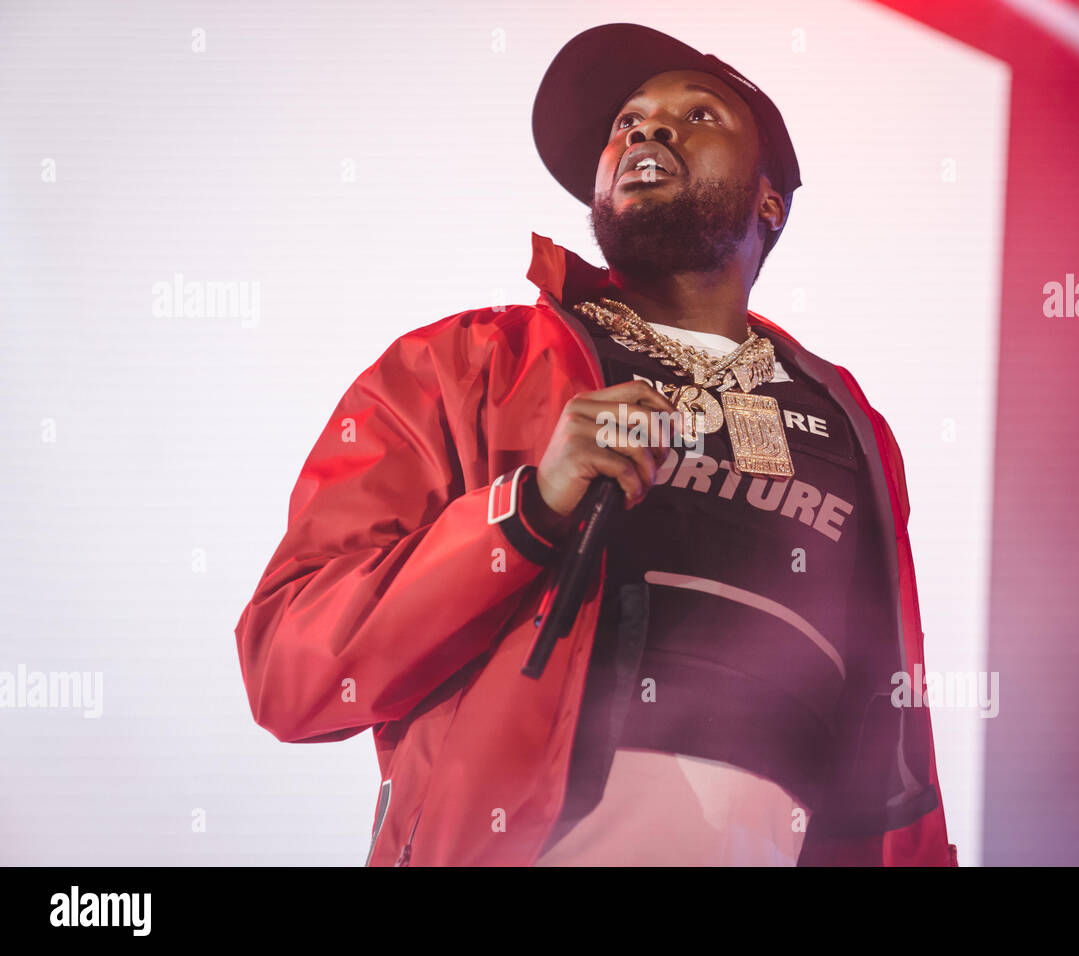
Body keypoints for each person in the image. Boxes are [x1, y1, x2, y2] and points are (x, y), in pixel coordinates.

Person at [234, 22, 957, 867]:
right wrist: (525, 511)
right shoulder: (464, 365)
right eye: (628, 121)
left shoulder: (849, 423)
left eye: (698, 114)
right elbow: (292, 670)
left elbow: (889, 729)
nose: (646, 130)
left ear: (770, 201)